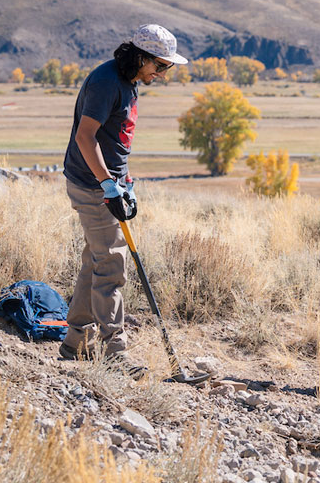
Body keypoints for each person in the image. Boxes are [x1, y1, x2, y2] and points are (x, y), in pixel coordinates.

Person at [59, 24, 187, 377]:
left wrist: (123, 182)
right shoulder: (105, 82)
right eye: (159, 66)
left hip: (108, 184)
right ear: (140, 57)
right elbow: (86, 138)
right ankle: (115, 353)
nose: (161, 75)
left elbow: (115, 140)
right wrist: (106, 184)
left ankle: (76, 341)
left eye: (166, 68)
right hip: (91, 186)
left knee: (95, 260)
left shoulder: (128, 82)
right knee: (112, 265)